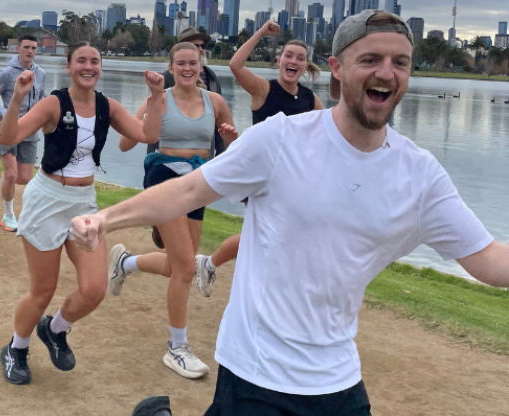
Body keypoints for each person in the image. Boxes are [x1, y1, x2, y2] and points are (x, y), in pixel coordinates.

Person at [70, 10, 509, 414]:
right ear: (337, 68)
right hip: (255, 371)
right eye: (371, 59)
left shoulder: (421, 176)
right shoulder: (281, 139)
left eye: (401, 62)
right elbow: (184, 192)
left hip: (338, 378)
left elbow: (488, 260)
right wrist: (105, 220)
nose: (386, 72)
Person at [0, 41, 166, 385]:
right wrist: (16, 98)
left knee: (94, 289)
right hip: (47, 201)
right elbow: (9, 135)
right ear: (69, 66)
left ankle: (55, 329)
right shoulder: (53, 104)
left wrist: (156, 95)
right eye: (81, 61)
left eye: (95, 61)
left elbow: (148, 134)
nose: (88, 67)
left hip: (84, 203)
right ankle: (16, 348)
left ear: (100, 67)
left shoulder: (107, 106)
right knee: (43, 290)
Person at [112, 42, 237, 380]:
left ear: (201, 66)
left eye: (192, 63)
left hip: (198, 181)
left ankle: (125, 263)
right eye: (180, 63)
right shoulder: (160, 99)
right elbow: (126, 143)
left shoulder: (216, 102)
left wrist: (231, 137)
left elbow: (231, 148)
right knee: (184, 269)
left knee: (176, 266)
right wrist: (151, 107)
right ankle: (176, 347)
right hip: (163, 177)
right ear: (170, 66)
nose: (186, 68)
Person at [193, 21, 325, 289]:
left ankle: (209, 265)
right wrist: (261, 33)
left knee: (265, 234)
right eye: (289, 55)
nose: (293, 61)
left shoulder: (311, 101)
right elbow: (236, 66)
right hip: (260, 174)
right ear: (279, 60)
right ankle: (227, 272)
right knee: (269, 234)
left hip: (291, 181)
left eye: (300, 58)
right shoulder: (263, 89)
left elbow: (327, 137)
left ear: (305, 66)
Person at [148, 27, 224, 250]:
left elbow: (218, 125)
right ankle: (157, 220)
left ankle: (126, 262)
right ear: (172, 65)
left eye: (202, 47)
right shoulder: (163, 82)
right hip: (165, 164)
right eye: (195, 45)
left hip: (199, 171)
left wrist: (219, 159)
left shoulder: (211, 79)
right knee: (182, 260)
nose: (200, 49)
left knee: (185, 259)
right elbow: (152, 129)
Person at [0, 34, 46, 232]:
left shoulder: (41, 73)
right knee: (12, 174)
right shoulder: (7, 73)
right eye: (26, 47)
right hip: (9, 128)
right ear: (17, 49)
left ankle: (7, 178)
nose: (30, 51)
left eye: (34, 48)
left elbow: (42, 98)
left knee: (25, 178)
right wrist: (4, 115)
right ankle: (8, 215)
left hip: (30, 130)